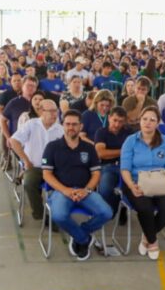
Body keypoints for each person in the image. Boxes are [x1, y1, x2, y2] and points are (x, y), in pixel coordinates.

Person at [40, 110, 113, 260]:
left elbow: (96, 174)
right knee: (59, 215)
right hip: (61, 191)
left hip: (85, 191)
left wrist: (86, 190)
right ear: (63, 125)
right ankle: (84, 239)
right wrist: (65, 190)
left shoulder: (89, 148)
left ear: (81, 126)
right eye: (67, 124)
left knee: (107, 213)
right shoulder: (52, 147)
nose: (71, 127)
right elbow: (46, 174)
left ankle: (80, 233)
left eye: (74, 124)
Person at [120, 106, 165, 260]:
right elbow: (124, 169)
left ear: (158, 123)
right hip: (136, 183)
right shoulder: (130, 141)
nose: (148, 122)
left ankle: (147, 235)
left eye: (152, 120)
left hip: (162, 183)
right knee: (144, 207)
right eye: (145, 119)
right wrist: (132, 186)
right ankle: (153, 242)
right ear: (139, 121)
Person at [9, 99, 64, 222]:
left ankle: (59, 214)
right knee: (29, 182)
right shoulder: (31, 124)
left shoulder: (60, 130)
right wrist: (26, 161)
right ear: (41, 111)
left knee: (67, 183)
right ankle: (40, 214)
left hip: (54, 169)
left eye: (56, 111)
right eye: (51, 111)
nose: (54, 114)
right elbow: (14, 141)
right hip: (35, 167)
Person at [94, 106, 129, 220]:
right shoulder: (101, 132)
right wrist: (124, 151)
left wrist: (112, 152)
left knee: (133, 190)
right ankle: (113, 210)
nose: (117, 124)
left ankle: (123, 207)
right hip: (108, 167)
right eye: (115, 120)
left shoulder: (129, 133)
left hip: (127, 167)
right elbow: (101, 153)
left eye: (120, 121)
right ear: (109, 118)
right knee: (104, 190)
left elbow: (135, 151)